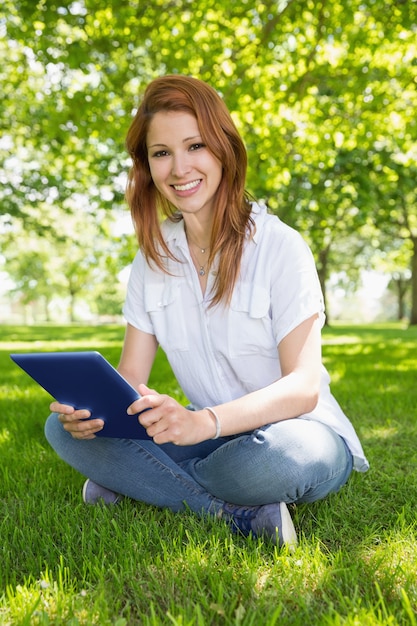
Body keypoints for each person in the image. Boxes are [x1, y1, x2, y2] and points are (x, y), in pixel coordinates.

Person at [45, 74, 369, 549]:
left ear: (223, 150)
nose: (179, 168)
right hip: (208, 437)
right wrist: (96, 414)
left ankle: (143, 481)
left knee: (280, 458)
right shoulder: (152, 259)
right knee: (63, 429)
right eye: (161, 153)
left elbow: (302, 388)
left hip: (297, 435)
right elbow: (132, 375)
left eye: (194, 145)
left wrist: (200, 424)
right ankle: (232, 515)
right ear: (147, 166)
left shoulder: (280, 246)